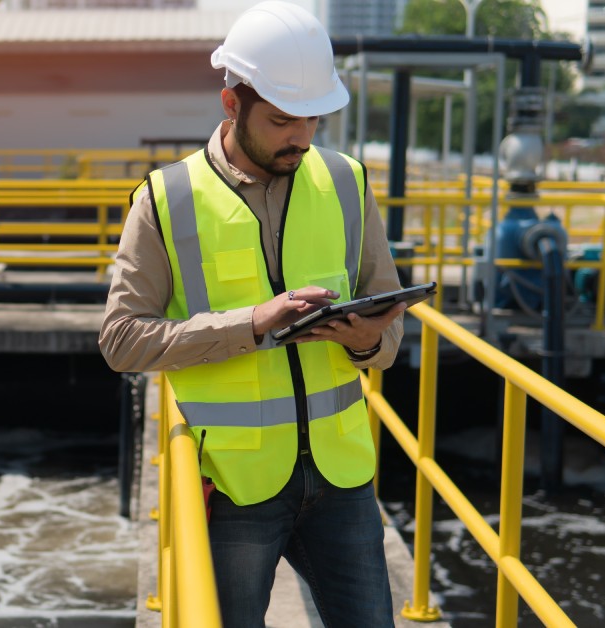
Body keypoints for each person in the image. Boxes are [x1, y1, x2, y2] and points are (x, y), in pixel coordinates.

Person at [98, 2, 406, 626]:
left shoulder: (348, 182)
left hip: (341, 478)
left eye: (314, 120)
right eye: (284, 119)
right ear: (231, 104)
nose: (301, 136)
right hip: (233, 482)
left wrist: (368, 340)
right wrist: (253, 322)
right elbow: (122, 340)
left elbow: (390, 332)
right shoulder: (167, 200)